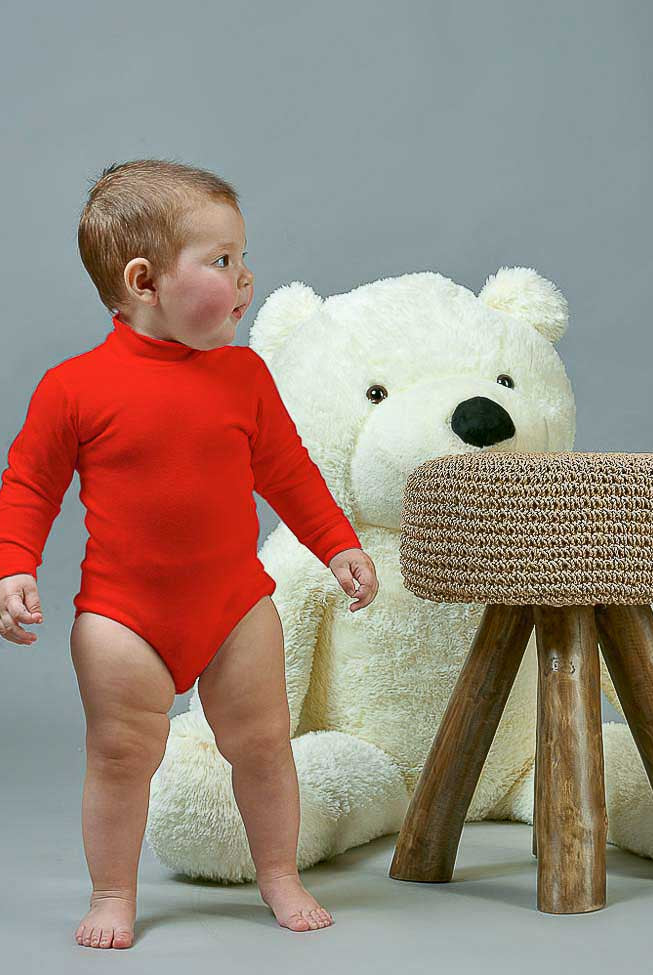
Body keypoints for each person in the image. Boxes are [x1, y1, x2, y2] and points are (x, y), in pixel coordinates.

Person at [0, 158, 379, 949]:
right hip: (122, 618)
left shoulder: (244, 376)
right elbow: (29, 482)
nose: (246, 277)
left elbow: (288, 472)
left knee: (264, 746)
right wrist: (14, 563)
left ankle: (278, 872)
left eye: (243, 256)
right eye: (222, 260)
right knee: (119, 755)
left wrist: (336, 543)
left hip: (234, 605)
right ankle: (112, 890)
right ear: (144, 282)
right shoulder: (74, 387)